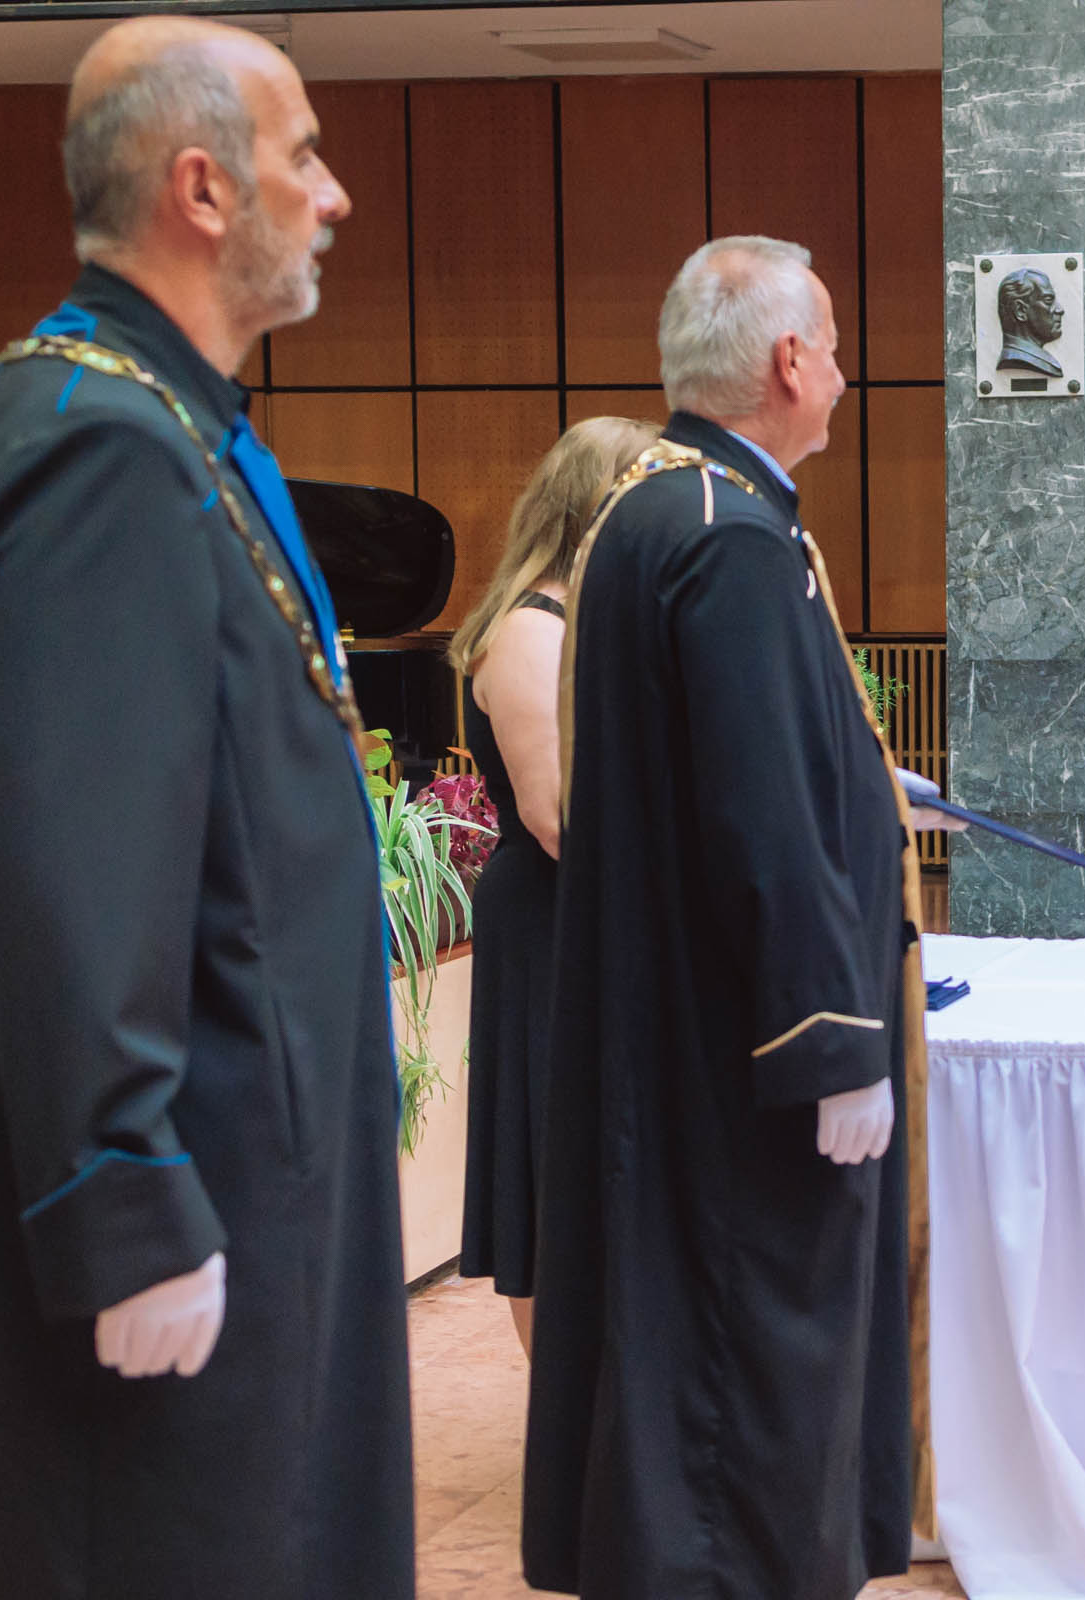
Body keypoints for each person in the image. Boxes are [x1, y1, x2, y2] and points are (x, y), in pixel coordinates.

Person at [0, 18, 413, 1599]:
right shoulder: (102, 452)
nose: (334, 195)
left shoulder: (150, 423)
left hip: (245, 1175)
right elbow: (69, 860)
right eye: (303, 155)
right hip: (189, 1214)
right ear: (201, 188)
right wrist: (121, 1195)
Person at [523, 236, 932, 1600]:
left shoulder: (655, 507)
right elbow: (760, 815)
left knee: (697, 1355)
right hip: (746, 1054)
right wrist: (835, 1039)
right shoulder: (733, 536)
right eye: (836, 344)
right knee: (752, 1369)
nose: (846, 373)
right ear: (789, 361)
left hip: (686, 1026)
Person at [448, 416, 658, 1357]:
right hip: (558, 924)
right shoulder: (531, 631)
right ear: (595, 506)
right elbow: (556, 818)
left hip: (610, 917)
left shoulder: (601, 616)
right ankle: (567, 1411)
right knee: (553, 1173)